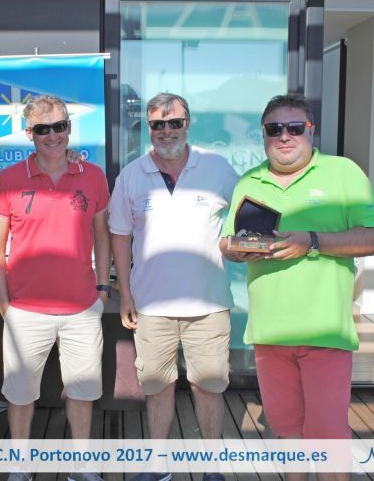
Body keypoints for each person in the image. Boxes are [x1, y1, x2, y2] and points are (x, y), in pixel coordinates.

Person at [220, 93, 374, 481]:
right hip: (269, 333)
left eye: (295, 127)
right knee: (287, 434)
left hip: (324, 332)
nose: (285, 136)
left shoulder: (342, 172)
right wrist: (239, 249)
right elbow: (228, 243)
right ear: (263, 134)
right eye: (274, 129)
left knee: (328, 438)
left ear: (311, 131)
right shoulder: (250, 181)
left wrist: (312, 241)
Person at [109, 92, 238, 481]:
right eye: (158, 124)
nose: (167, 131)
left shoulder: (217, 168)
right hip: (152, 306)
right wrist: (125, 294)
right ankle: (157, 465)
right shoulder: (131, 175)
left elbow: (246, 216)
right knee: (157, 388)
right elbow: (120, 237)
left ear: (187, 124)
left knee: (208, 387)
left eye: (175, 123)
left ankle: (211, 467)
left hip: (208, 305)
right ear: (148, 128)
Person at [0, 94, 110, 481]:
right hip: (25, 311)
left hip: (82, 308)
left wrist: (102, 290)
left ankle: (81, 466)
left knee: (83, 393)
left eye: (59, 126)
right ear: (29, 134)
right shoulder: (8, 179)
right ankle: (20, 466)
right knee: (20, 395)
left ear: (69, 128)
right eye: (43, 129)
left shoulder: (93, 175)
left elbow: (102, 236)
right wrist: (5, 305)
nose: (53, 135)